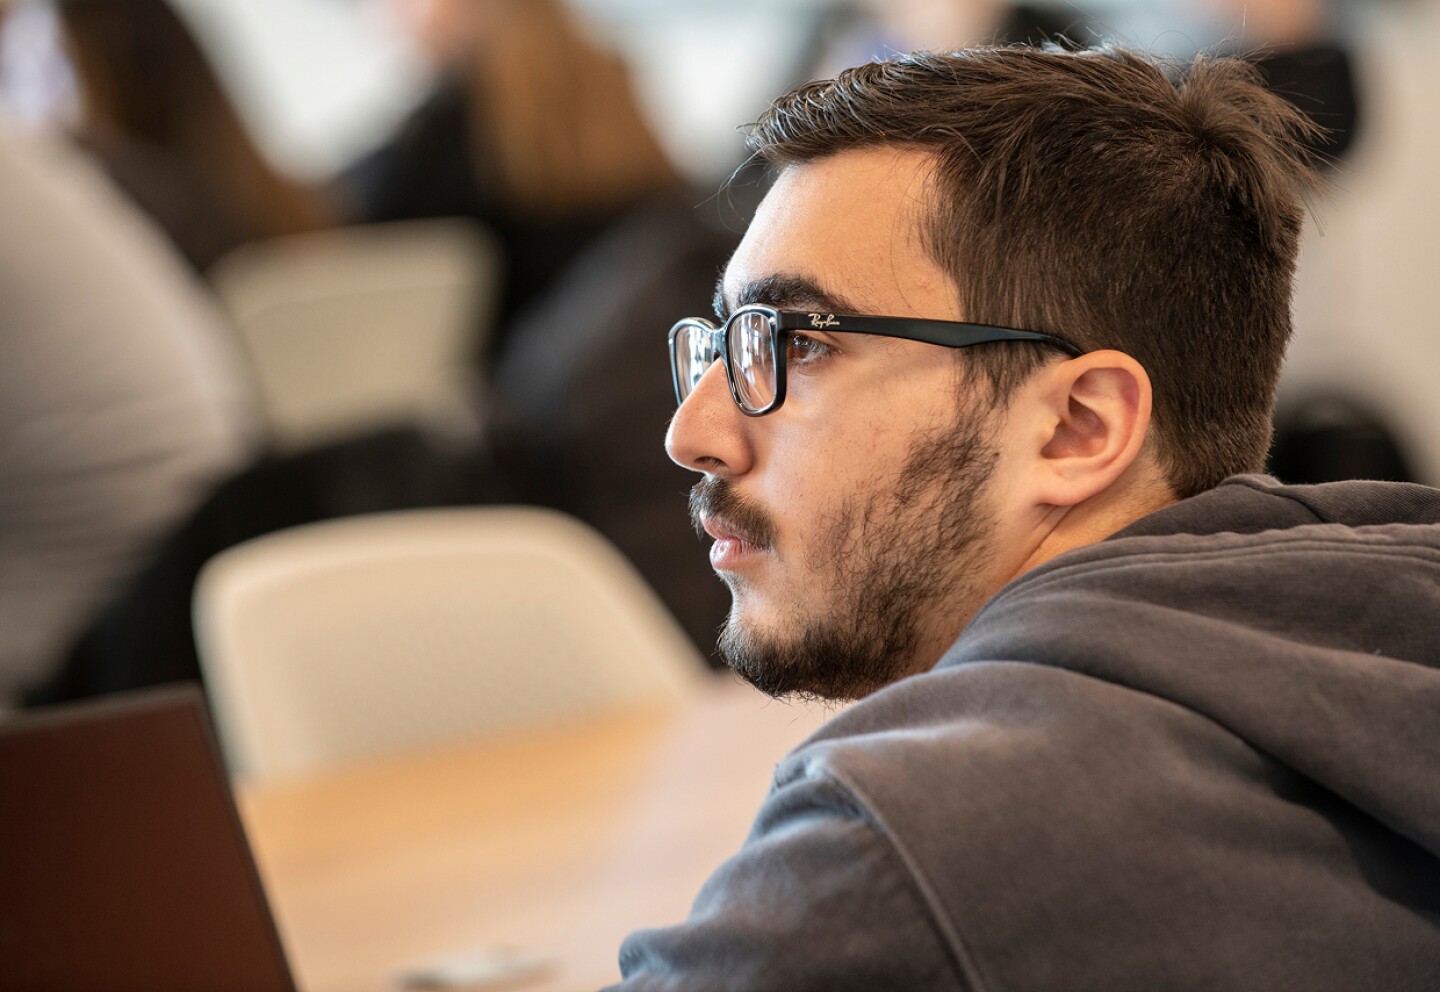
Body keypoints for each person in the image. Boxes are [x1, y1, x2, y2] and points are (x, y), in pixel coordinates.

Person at [605, 46, 1440, 989]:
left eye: (794, 341)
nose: (694, 431)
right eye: (722, 343)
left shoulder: (906, 845)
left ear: (1078, 428)